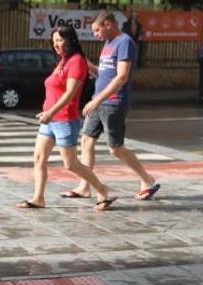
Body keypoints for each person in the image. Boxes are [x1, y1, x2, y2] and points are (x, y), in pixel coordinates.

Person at [61, 10, 159, 202]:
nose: (96, 35)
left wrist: (97, 100)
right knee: (86, 141)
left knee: (116, 148)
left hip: (113, 102)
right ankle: (84, 186)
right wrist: (88, 65)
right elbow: (104, 74)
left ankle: (147, 180)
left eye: (97, 30)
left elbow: (121, 77)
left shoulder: (125, 43)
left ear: (108, 24)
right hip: (98, 101)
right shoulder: (108, 44)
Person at [17, 25, 116, 211]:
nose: (57, 44)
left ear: (70, 40)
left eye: (60, 40)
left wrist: (51, 112)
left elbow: (70, 93)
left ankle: (102, 189)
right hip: (50, 119)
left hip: (64, 119)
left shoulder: (77, 61)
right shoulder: (63, 61)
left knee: (70, 164)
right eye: (54, 41)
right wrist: (48, 113)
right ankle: (38, 198)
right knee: (38, 158)